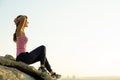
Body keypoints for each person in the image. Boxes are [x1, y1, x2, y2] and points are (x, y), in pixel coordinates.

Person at [13, 15, 61, 79]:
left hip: (24, 57)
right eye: (27, 21)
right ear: (23, 22)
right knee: (42, 47)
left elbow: (22, 19)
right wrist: (17, 19)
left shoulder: (22, 31)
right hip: (22, 56)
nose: (28, 22)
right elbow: (23, 18)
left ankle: (52, 73)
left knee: (42, 56)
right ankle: (42, 67)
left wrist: (17, 20)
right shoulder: (19, 30)